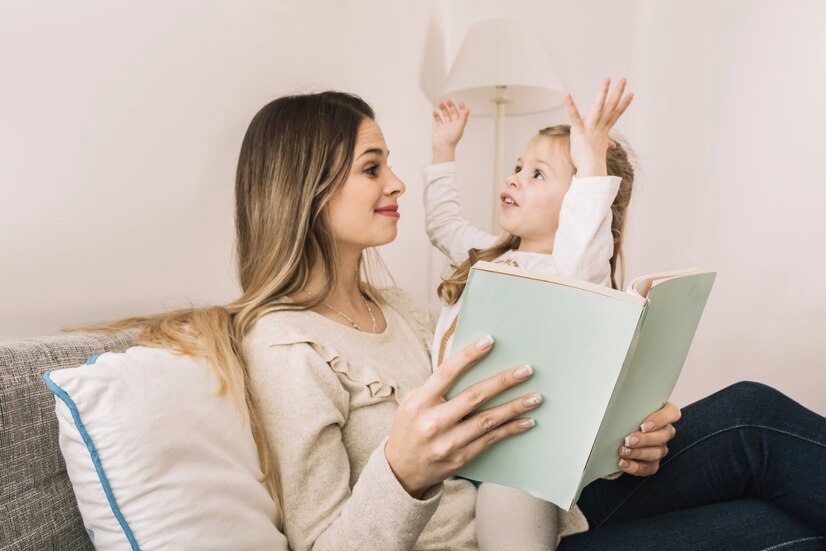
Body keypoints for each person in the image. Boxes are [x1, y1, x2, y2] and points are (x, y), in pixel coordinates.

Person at [105, 90, 826, 550]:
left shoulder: (405, 312)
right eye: (373, 167)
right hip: (489, 540)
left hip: (554, 506)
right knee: (780, 530)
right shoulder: (287, 345)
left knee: (751, 416)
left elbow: (526, 414)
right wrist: (402, 471)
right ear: (307, 193)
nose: (397, 183)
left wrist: (626, 431)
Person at [424, 78, 636, 549]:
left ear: (581, 203)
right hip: (455, 441)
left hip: (517, 453)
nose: (514, 177)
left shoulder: (572, 275)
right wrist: (444, 149)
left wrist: (592, 163)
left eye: (538, 174)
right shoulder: (485, 254)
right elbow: (441, 222)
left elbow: (584, 254)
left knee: (510, 496)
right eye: (519, 166)